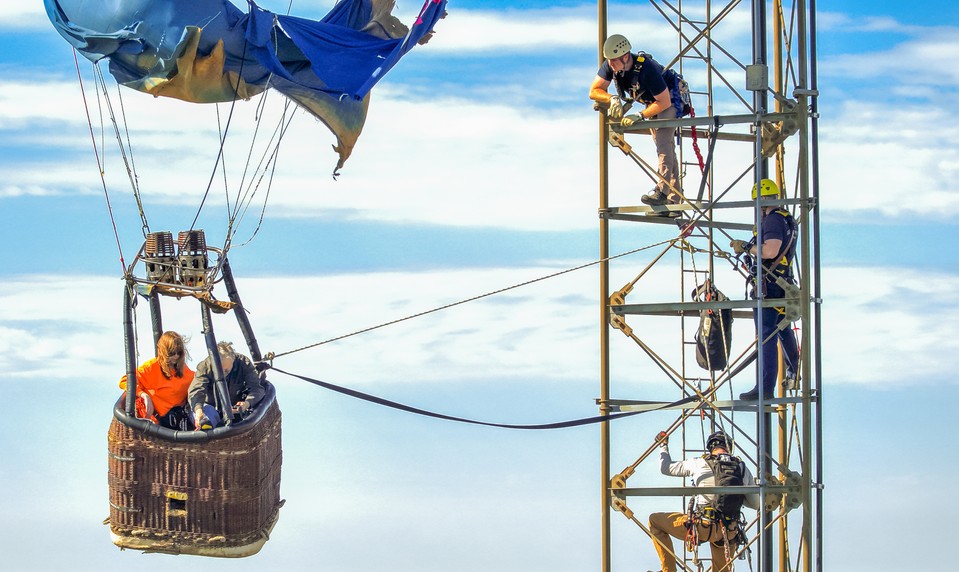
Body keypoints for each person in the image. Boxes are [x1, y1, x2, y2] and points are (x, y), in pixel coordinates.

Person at [589, 33, 682, 212]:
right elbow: (594, 90)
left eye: (614, 61)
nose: (610, 65)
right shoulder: (611, 64)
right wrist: (612, 99)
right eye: (608, 61)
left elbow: (664, 102)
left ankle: (662, 192)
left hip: (669, 99)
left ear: (625, 57)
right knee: (666, 146)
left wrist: (640, 115)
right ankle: (674, 201)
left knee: (663, 143)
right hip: (650, 101)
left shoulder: (647, 70)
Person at [648, 430, 759, 572]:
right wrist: (738, 495)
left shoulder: (699, 463)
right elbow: (756, 504)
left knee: (654, 521)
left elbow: (666, 468)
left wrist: (663, 445)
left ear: (710, 447)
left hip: (701, 527)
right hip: (728, 531)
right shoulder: (742, 468)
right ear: (729, 447)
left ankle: (669, 570)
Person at [730, 178, 800, 400]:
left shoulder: (772, 221)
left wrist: (748, 247)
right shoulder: (787, 220)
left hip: (770, 284)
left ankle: (765, 388)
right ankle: (794, 369)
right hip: (780, 282)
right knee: (782, 328)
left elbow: (770, 251)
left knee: (767, 335)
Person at [119, 331, 197, 430]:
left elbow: (199, 382)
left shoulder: (186, 372)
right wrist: (143, 395)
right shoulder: (151, 367)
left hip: (177, 424)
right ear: (164, 351)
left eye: (179, 352)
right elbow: (124, 380)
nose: (176, 356)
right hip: (153, 425)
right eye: (172, 352)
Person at [188, 341, 265, 429]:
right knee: (206, 419)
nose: (223, 375)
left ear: (233, 360)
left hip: (235, 410)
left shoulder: (243, 363)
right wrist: (198, 411)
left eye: (226, 370)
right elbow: (196, 390)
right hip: (210, 408)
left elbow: (257, 389)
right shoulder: (204, 367)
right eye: (220, 371)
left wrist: (247, 404)